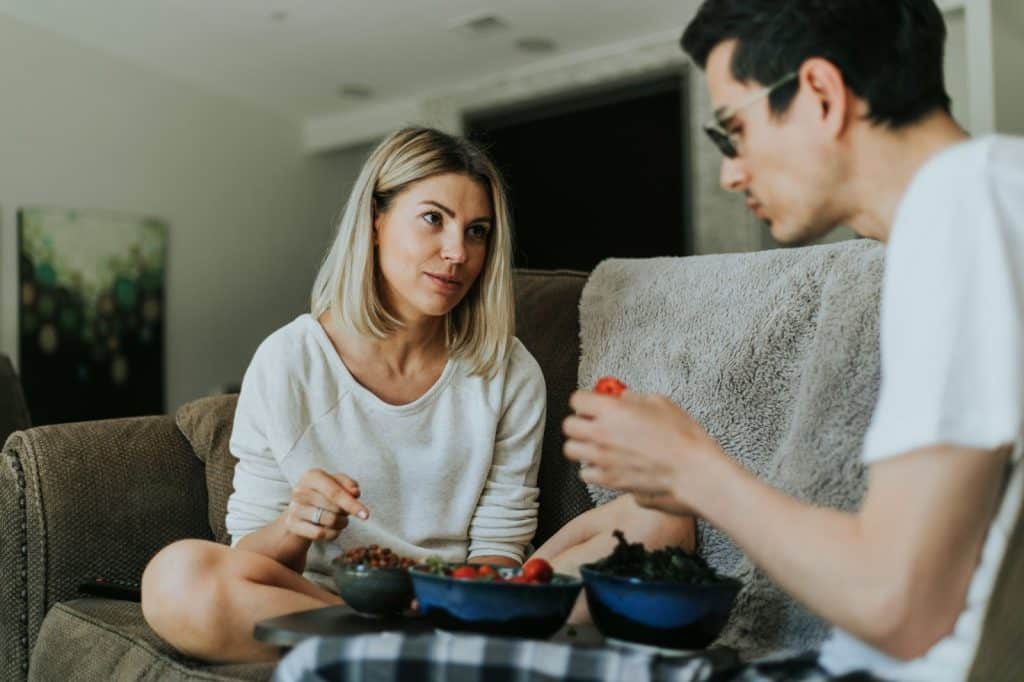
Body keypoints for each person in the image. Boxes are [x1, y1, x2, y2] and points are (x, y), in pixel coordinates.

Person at [558, 1, 1024, 680]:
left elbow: (896, 604)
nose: (731, 172)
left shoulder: (960, 207)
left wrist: (690, 470)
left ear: (821, 94)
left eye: (735, 130)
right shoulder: (989, 194)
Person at [141, 127, 549, 663]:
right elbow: (249, 560)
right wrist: (296, 524)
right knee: (175, 577)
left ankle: (408, 655)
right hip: (324, 604)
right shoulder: (288, 360)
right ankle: (402, 655)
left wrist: (470, 599)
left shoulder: (508, 369)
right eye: (434, 219)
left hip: (462, 607)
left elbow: (501, 547)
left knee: (656, 522)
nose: (458, 253)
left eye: (477, 231)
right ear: (376, 221)